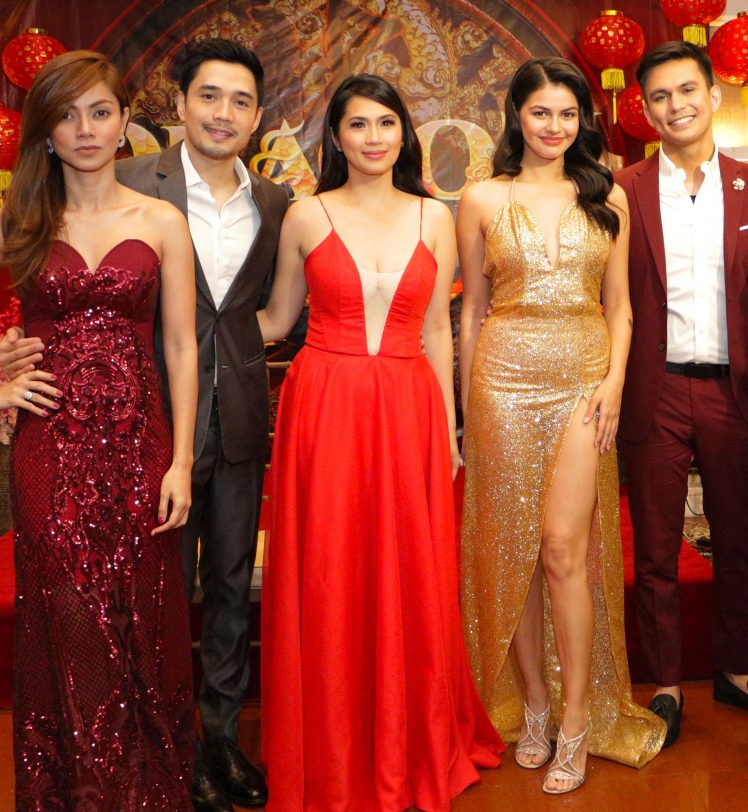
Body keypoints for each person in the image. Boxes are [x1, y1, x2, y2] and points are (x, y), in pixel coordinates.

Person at [0, 39, 288, 811]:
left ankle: (218, 744)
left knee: (230, 586)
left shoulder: (277, 200)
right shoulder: (118, 174)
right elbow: (40, 284)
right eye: (209, 96)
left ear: (258, 115)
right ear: (175, 106)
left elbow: (269, 312)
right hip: (132, 427)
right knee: (143, 603)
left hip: (235, 414)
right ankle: (156, 755)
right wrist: (8, 354)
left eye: (240, 101)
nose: (223, 113)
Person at [0, 51, 198, 807]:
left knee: (143, 614)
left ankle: (145, 792)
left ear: (124, 121)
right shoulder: (21, 219)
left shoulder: (162, 221)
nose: (86, 129)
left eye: (100, 112)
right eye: (67, 116)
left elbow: (181, 346)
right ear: (46, 132)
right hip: (52, 450)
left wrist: (180, 461)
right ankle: (80, 793)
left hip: (142, 448)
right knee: (70, 614)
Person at [255, 73, 504, 811]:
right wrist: (176, 328)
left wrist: (449, 429)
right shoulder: (306, 213)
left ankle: (408, 738)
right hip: (323, 407)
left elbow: (436, 331)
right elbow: (275, 320)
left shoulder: (435, 217)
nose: (372, 137)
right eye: (357, 124)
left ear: (404, 133)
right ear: (335, 137)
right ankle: (330, 745)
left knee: (410, 571)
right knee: (329, 570)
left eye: (385, 123)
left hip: (407, 407)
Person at [457, 56, 665, 796]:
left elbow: (622, 306)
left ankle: (577, 717)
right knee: (513, 547)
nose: (554, 126)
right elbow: (470, 309)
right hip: (501, 381)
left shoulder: (607, 194)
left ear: (584, 120)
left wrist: (614, 383)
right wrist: (466, 408)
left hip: (583, 379)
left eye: (568, 114)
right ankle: (535, 707)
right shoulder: (481, 197)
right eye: (540, 112)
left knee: (561, 548)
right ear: (516, 115)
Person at [613, 40, 748, 745]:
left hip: (734, 389)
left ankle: (736, 669)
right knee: (655, 547)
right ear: (645, 109)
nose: (675, 105)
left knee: (739, 538)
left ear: (713, 96)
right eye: (660, 96)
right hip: (653, 389)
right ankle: (664, 684)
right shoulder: (623, 188)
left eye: (687, 90)